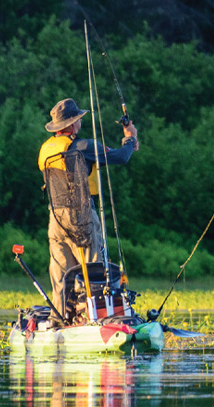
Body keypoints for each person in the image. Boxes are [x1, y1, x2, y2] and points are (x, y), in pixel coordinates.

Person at [38, 97, 138, 319]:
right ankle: (99, 318)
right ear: (73, 124)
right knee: (94, 272)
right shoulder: (84, 145)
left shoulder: (46, 149)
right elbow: (121, 157)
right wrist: (130, 139)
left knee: (62, 276)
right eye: (79, 119)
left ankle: (60, 320)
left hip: (55, 219)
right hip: (80, 217)